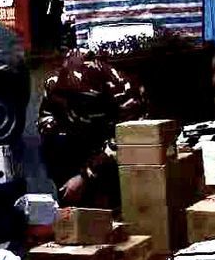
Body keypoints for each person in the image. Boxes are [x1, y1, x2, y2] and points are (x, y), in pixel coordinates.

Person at [37, 47, 147, 207]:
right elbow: (44, 118)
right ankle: (70, 198)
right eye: (73, 97)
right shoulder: (55, 85)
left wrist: (87, 175)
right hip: (77, 136)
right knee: (54, 144)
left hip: (108, 137)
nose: (79, 102)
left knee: (120, 171)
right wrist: (57, 131)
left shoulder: (124, 92)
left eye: (84, 98)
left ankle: (113, 207)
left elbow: (125, 141)